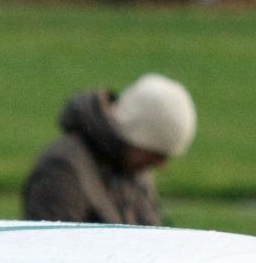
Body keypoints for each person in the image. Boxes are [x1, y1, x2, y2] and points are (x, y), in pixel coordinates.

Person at [20, 74, 196, 227]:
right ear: (136, 136)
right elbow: (55, 256)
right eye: (157, 155)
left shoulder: (130, 166)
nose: (161, 165)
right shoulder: (61, 170)